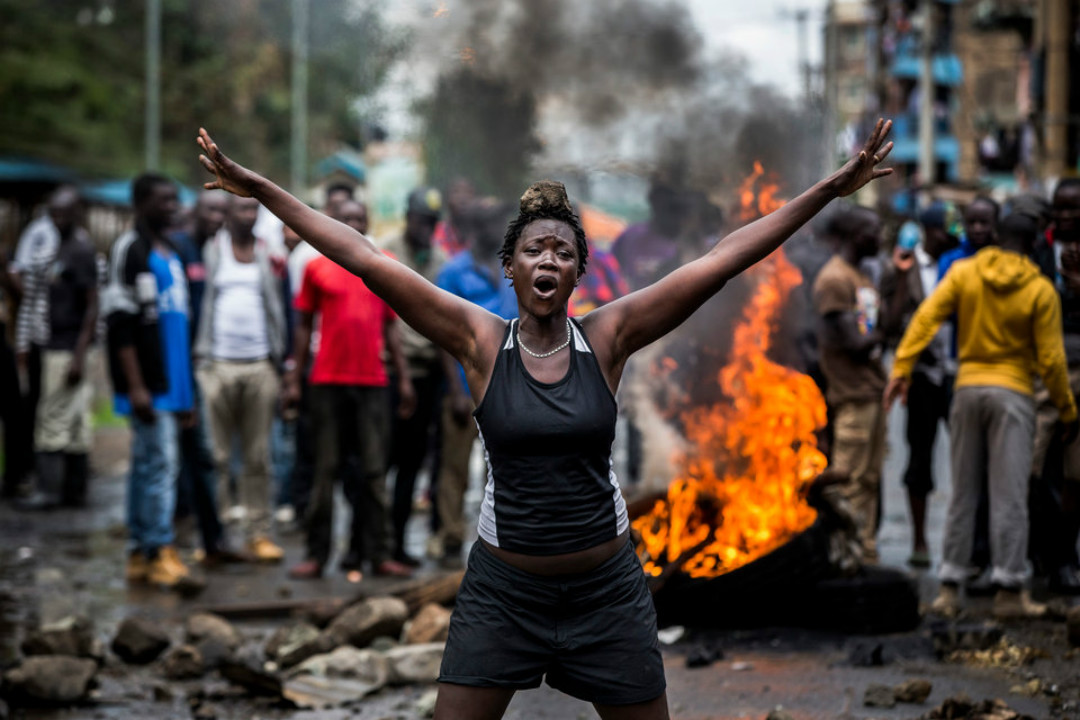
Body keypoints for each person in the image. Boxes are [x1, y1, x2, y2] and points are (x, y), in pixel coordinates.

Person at [197, 117, 893, 720]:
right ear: (512, 266)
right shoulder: (478, 342)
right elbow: (365, 257)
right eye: (534, 249)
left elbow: (723, 260)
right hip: (503, 596)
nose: (548, 259)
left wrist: (829, 189)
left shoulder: (609, 337)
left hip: (607, 593)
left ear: (578, 271)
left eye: (563, 250)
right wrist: (262, 190)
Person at [886, 212, 1078, 619]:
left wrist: (901, 368)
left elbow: (926, 318)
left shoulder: (965, 273)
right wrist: (1067, 410)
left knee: (963, 491)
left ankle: (949, 589)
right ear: (1034, 244)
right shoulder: (1040, 289)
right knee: (1009, 495)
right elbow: (1051, 359)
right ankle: (1009, 590)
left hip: (967, 389)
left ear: (996, 237)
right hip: (1014, 394)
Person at [286, 198, 416, 579]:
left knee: (375, 472)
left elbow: (392, 328)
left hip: (373, 382)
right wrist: (294, 378)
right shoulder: (316, 267)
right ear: (334, 222)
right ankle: (316, 555)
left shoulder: (384, 266)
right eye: (346, 219)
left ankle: (380, 555)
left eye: (359, 218)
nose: (354, 224)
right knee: (324, 471)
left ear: (367, 222)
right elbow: (303, 326)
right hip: (327, 381)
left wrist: (404, 378)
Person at [102, 173, 197, 590]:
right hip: (148, 384)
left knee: (147, 465)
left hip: (173, 382)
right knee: (161, 465)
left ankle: (140, 553)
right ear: (140, 204)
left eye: (175, 200)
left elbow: (178, 324)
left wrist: (186, 392)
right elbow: (119, 321)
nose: (172, 207)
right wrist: (136, 385)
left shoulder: (172, 252)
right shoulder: (131, 248)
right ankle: (158, 550)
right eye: (163, 200)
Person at [194, 195, 288, 562]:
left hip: (260, 365)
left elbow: (280, 306)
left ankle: (258, 533)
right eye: (242, 209)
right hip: (217, 365)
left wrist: (280, 362)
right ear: (228, 215)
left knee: (258, 456)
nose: (248, 215)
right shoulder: (211, 251)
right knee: (216, 456)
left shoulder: (268, 254)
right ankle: (215, 537)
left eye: (253, 210)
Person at [432, 199, 519, 568]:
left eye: (501, 224)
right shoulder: (454, 272)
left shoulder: (515, 268)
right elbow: (442, 335)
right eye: (490, 224)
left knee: (502, 468)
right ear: (476, 229)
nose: (497, 231)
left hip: (508, 386)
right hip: (465, 387)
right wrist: (454, 391)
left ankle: (499, 542)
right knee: (454, 468)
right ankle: (451, 539)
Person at [880, 206, 958, 567]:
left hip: (956, 373)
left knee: (967, 459)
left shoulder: (959, 264)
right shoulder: (905, 268)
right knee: (919, 458)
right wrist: (900, 277)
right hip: (922, 377)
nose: (949, 237)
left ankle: (965, 546)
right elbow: (890, 324)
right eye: (943, 230)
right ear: (928, 231)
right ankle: (920, 541)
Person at [812, 204, 889, 563]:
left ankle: (865, 552)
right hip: (851, 396)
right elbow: (857, 343)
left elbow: (871, 332)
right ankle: (847, 555)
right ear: (853, 236)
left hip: (872, 392)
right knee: (849, 483)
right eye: (873, 230)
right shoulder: (834, 279)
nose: (880, 237)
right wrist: (883, 333)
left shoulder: (860, 275)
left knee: (869, 481)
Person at [14, 187, 98, 509]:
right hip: (59, 345)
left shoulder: (80, 250)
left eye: (64, 212)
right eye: (53, 213)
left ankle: (48, 492)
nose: (58, 218)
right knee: (74, 420)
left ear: (78, 213)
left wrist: (78, 356)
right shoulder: (58, 248)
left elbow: (92, 306)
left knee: (51, 418)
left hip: (66, 349)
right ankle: (73, 492)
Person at [382, 188, 448, 566]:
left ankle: (397, 544)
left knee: (412, 462)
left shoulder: (439, 260)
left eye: (432, 223)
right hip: (391, 373)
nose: (427, 228)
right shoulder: (387, 252)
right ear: (408, 217)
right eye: (422, 220)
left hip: (428, 374)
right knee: (380, 460)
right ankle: (372, 543)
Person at [170, 190, 230, 561]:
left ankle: (211, 540)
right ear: (195, 211)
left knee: (198, 456)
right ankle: (173, 540)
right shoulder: (179, 248)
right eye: (211, 210)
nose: (217, 218)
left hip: (193, 366)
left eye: (222, 211)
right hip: (177, 370)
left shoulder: (206, 250)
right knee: (179, 456)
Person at [1030, 178, 1080, 594]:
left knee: (1074, 475)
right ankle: (1043, 553)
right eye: (1059, 208)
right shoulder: (1038, 250)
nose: (1065, 216)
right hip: (1042, 373)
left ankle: (1065, 557)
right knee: (1036, 468)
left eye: (1072, 208)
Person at [433, 177, 476, 257]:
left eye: (468, 192)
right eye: (456, 191)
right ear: (448, 199)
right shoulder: (436, 233)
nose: (463, 198)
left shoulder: (481, 236)